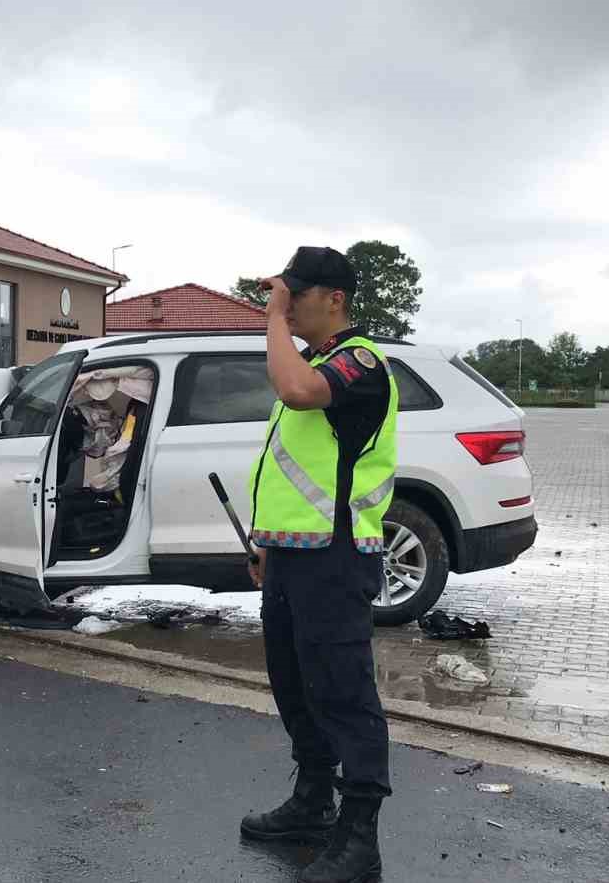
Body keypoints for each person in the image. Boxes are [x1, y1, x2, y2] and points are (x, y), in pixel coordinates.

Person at [239, 247, 396, 883]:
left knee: (343, 692)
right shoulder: (318, 361)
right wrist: (266, 541)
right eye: (285, 296)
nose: (286, 305)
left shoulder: (360, 361)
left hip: (335, 558)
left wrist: (272, 318)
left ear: (334, 299)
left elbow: (298, 393)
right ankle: (312, 800)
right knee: (296, 686)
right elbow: (294, 469)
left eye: (296, 296)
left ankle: (359, 836)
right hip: (292, 556)